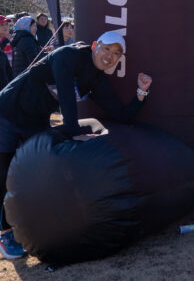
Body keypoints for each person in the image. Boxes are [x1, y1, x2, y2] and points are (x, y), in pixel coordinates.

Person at [0, 31, 152, 259]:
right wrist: (73, 132)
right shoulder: (68, 55)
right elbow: (66, 96)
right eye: (106, 48)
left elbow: (122, 114)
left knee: (34, 174)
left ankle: (29, 226)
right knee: (3, 173)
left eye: (116, 53)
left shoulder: (97, 79)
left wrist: (141, 91)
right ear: (95, 45)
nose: (109, 56)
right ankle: (5, 234)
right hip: (7, 112)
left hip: (35, 121)